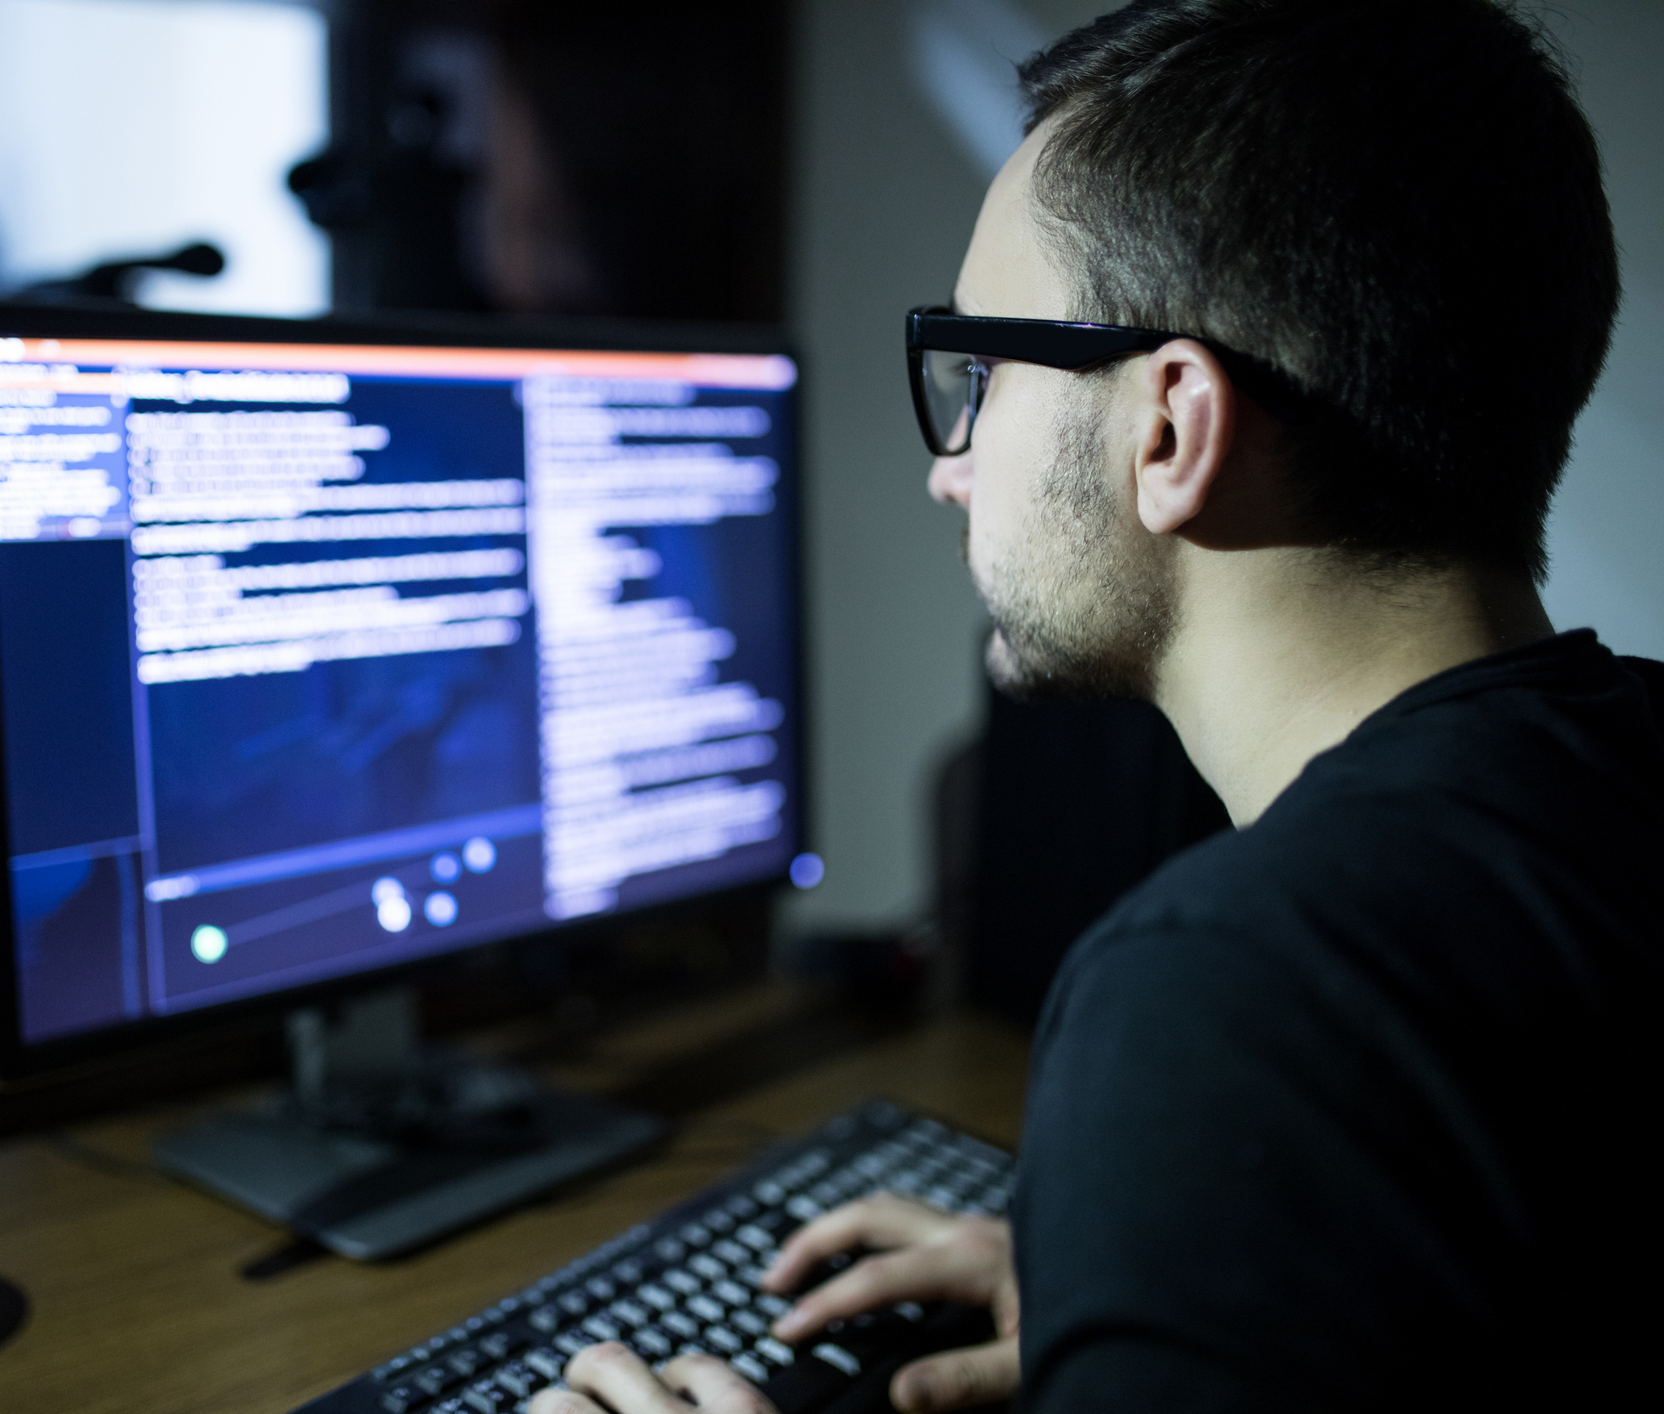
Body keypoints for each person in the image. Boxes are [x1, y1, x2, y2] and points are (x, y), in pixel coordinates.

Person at [528, 0, 1661, 1410]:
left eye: (984, 372)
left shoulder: (1231, 991)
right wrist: (1156, 1273)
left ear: (1169, 426)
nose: (950, 466)